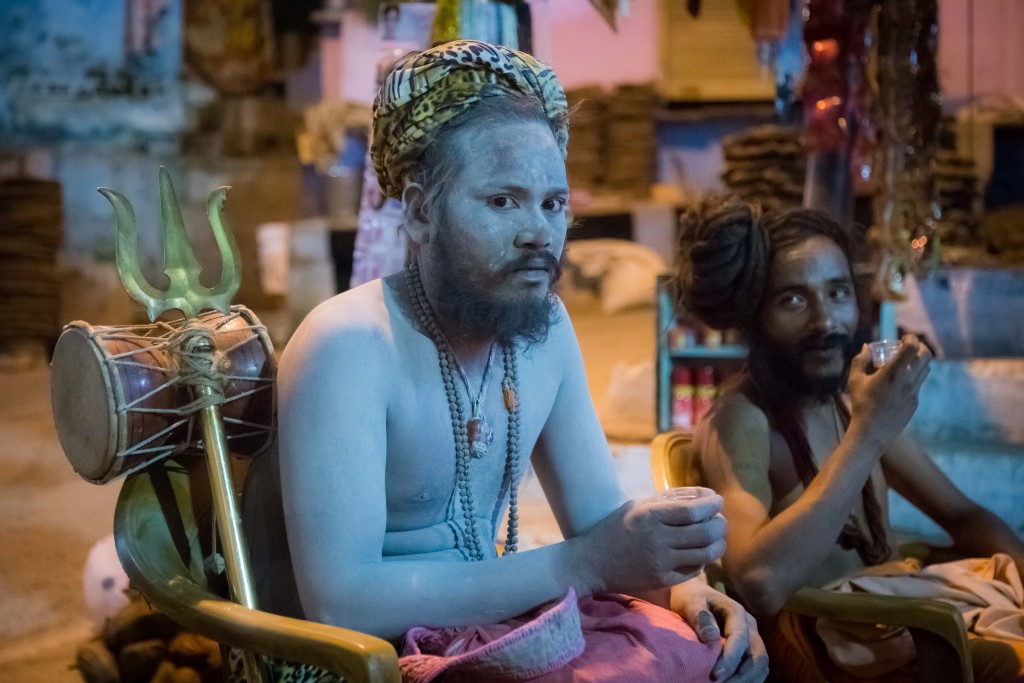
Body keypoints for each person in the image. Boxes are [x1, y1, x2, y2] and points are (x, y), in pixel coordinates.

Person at [243, 41, 768, 682]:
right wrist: (580, 565)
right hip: (361, 662)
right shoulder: (348, 344)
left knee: (698, 653)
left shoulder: (543, 332)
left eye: (553, 204)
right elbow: (340, 602)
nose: (537, 232)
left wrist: (682, 585)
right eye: (502, 201)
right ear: (419, 212)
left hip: (493, 629)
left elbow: (599, 518)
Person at [676, 195, 1024, 681]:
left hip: (902, 625)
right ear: (755, 315)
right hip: (827, 654)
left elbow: (962, 514)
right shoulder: (743, 417)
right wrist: (867, 434)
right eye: (793, 300)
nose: (826, 321)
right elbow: (759, 581)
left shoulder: (844, 402)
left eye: (838, 293)